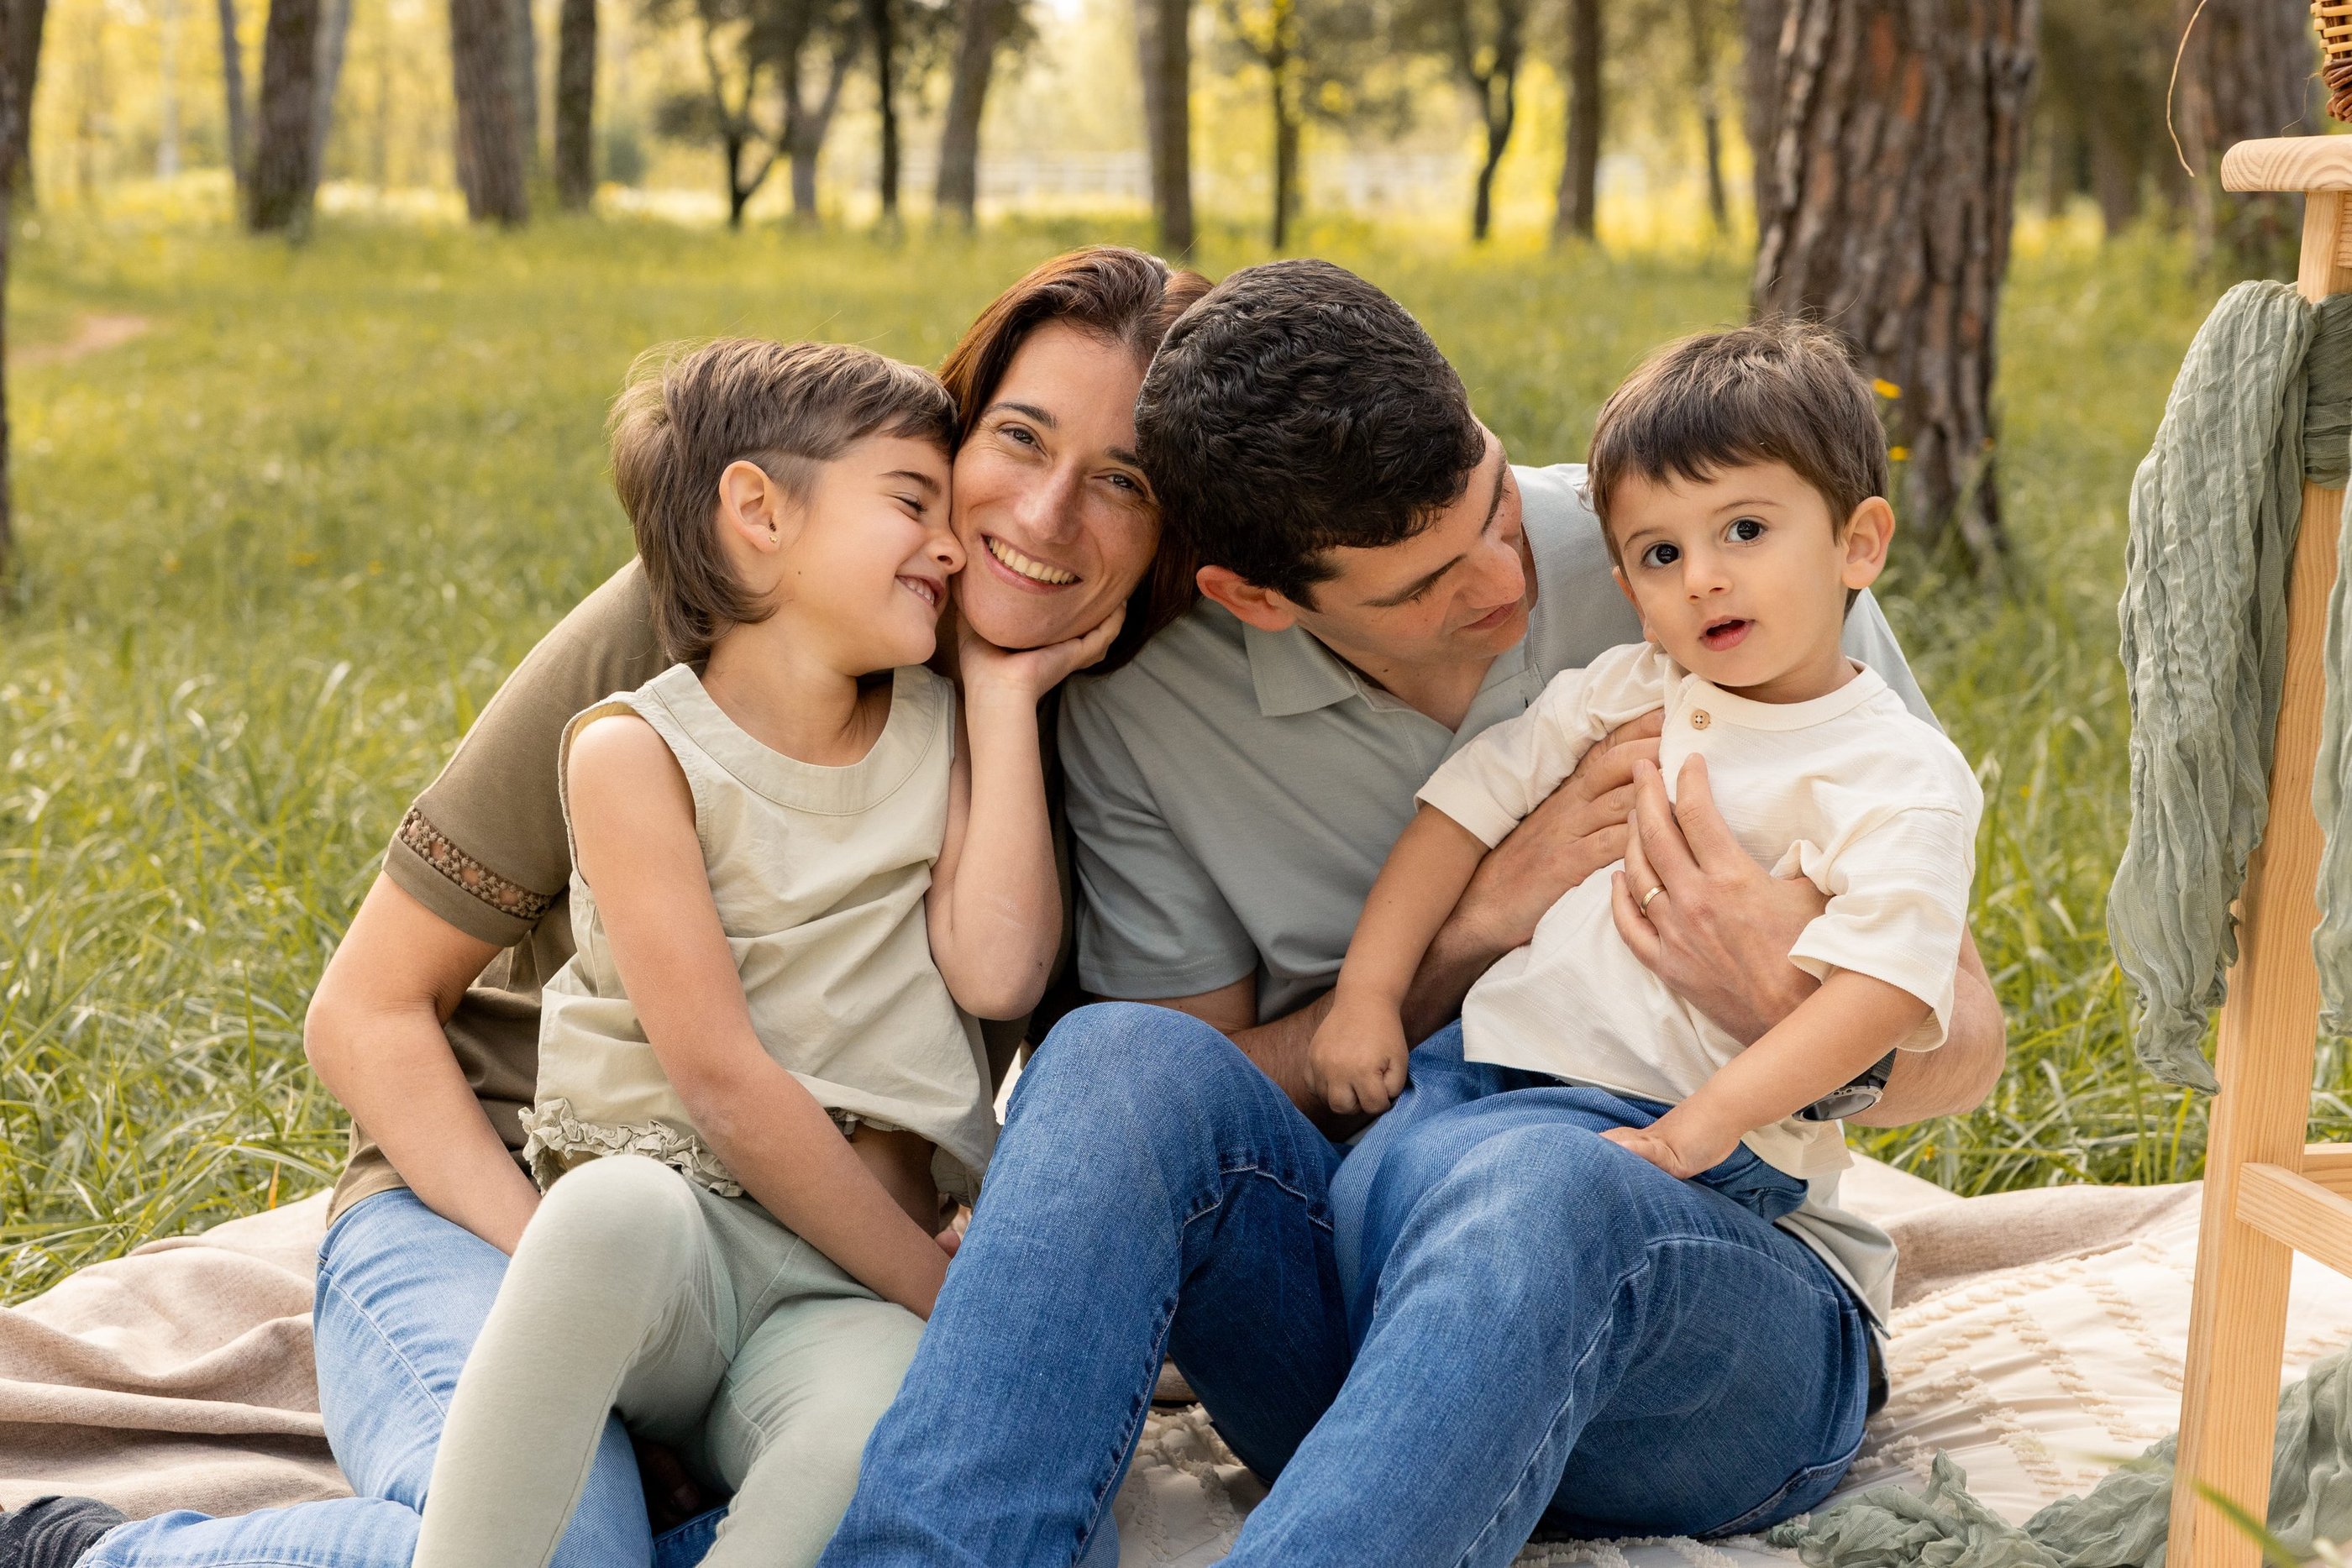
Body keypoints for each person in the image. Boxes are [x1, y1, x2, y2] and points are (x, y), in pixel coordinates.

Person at [29, 245, 1207, 1568]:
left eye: (1124, 479)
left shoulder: (1109, 712)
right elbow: (366, 1009)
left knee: (906, 1499)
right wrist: (576, 1296)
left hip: (818, 1271)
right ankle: (100, 1553)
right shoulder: (701, 630)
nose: (1045, 516)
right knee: (570, 1541)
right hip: (507, 1187)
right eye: (1016, 438)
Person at [820, 261, 2007, 1568]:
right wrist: (1472, 927)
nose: (1504, 580)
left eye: (1494, 502)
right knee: (1111, 1063)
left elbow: (1969, 1045)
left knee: (1544, 1179)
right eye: (1422, 584)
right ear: (1257, 598)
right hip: (1375, 1289)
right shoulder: (1153, 716)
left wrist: (1771, 999)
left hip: (1717, 1317)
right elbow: (1225, 1091)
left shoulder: (1709, 545)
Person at [407, 337, 1105, 1568]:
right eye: (911, 502)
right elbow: (721, 1079)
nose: (950, 544)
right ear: (757, 512)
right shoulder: (634, 750)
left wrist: (1002, 700)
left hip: (836, 1295)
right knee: (609, 1214)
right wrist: (955, 1302)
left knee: (867, 1433)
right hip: (672, 1239)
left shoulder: (944, 729)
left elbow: (997, 970)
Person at [1311, 320, 1981, 1234]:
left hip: (1678, 1120)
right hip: (1480, 1066)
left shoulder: (1893, 770)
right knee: (1361, 1214)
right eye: (1661, 554)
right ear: (1630, 590)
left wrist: (1694, 1132)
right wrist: (1367, 995)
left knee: (1501, 1219)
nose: (1702, 577)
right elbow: (1455, 818)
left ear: (1857, 544)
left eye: (1745, 529)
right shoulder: (1618, 692)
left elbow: (1886, 989)